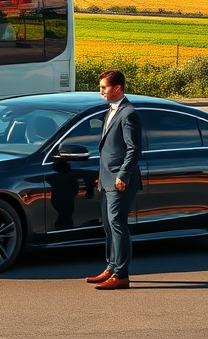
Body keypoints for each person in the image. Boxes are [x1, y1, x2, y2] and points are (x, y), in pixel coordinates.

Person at [86, 69, 142, 291]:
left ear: (117, 88)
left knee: (118, 225)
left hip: (120, 180)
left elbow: (133, 149)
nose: (101, 91)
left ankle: (121, 275)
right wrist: (102, 177)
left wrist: (122, 175)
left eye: (104, 87)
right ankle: (111, 267)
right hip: (107, 179)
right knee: (109, 226)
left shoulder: (129, 113)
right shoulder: (111, 110)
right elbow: (109, 149)